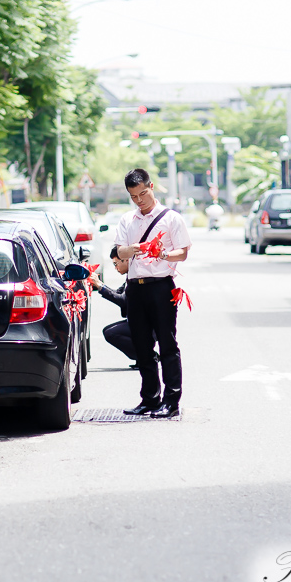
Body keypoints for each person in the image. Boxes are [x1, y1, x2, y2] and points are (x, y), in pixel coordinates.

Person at [115, 168, 191, 418]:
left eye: (143, 194)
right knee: (142, 346)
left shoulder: (171, 218)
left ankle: (172, 401)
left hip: (161, 287)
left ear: (152, 186)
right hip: (135, 289)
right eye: (134, 196)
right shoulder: (127, 220)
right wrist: (134, 249)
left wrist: (163, 254)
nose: (140, 200)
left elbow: (182, 252)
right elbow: (120, 253)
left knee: (168, 344)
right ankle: (149, 398)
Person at [87, 246, 159, 369]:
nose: (115, 268)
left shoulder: (137, 276)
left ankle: (148, 356)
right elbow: (118, 293)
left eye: (116, 264)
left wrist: (99, 286)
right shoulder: (131, 276)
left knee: (111, 333)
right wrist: (100, 285)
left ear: (126, 260)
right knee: (108, 330)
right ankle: (144, 356)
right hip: (138, 322)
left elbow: (123, 301)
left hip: (149, 326)